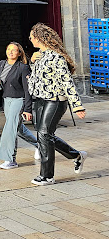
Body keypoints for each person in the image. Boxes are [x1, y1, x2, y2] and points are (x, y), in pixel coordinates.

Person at [27, 23, 87, 186]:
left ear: (40, 37)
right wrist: (32, 62)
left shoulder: (56, 57)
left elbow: (67, 82)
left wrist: (77, 105)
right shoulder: (39, 55)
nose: (30, 39)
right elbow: (37, 77)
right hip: (40, 99)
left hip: (55, 100)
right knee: (45, 136)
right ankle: (76, 156)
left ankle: (47, 176)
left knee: (44, 133)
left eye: (32, 37)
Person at [0, 42, 38, 169]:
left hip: (18, 100)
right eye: (8, 49)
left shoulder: (23, 68)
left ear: (19, 53)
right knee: (18, 129)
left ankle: (10, 159)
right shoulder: (2, 64)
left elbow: (27, 90)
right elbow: (2, 79)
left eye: (14, 50)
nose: (10, 52)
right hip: (6, 100)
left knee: (9, 128)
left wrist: (28, 109)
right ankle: (40, 145)